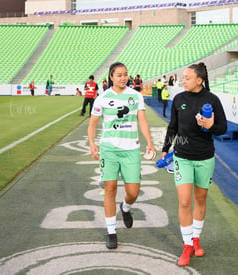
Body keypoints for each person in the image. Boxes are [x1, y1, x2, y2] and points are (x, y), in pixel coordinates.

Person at [161, 62, 227, 266]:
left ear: (199, 80)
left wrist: (211, 125)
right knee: (184, 202)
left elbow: (222, 128)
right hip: (182, 156)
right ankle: (187, 245)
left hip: (205, 157)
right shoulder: (179, 99)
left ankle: (196, 239)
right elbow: (173, 126)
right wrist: (166, 148)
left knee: (200, 199)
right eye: (183, 77)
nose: (183, 80)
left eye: (187, 77)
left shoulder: (212, 100)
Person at [88, 62, 156, 249]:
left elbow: (142, 120)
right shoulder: (102, 98)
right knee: (110, 188)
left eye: (125, 74)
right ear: (111, 77)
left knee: (133, 192)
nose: (123, 77)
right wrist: (92, 143)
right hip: (108, 149)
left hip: (131, 150)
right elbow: (93, 123)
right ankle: (111, 232)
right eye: (119, 75)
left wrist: (149, 141)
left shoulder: (135, 96)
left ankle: (125, 208)